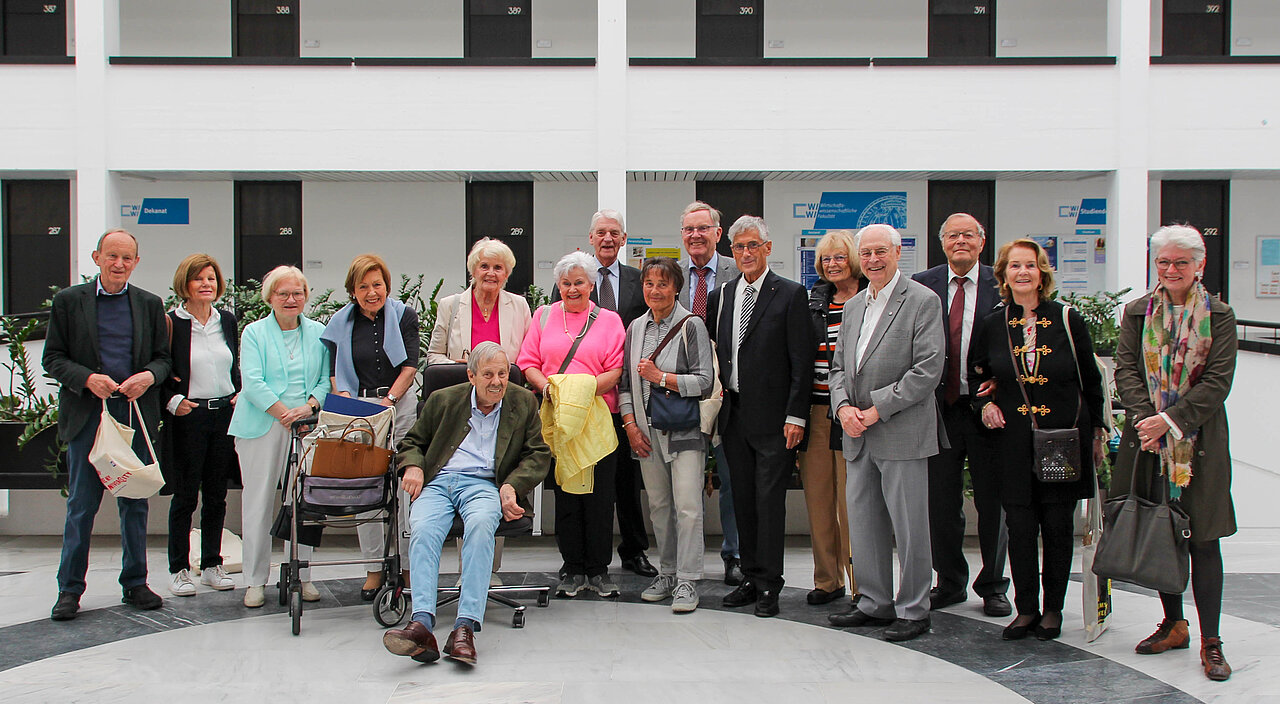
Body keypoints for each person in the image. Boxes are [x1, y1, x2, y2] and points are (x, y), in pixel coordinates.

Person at [1113, 225, 1238, 682]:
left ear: (1199, 265)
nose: (1170, 270)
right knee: (1160, 532)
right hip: (1148, 441)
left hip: (1198, 443)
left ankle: (1211, 641)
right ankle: (1174, 624)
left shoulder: (1220, 316)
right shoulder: (1137, 312)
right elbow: (1126, 370)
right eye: (1163, 262)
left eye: (1180, 262)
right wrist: (1148, 419)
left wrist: (1170, 420)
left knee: (1203, 538)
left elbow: (1218, 381)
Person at [969, 238, 1107, 642]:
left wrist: (1096, 432)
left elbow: (1091, 380)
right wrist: (985, 405)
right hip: (1012, 443)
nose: (1022, 272)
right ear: (1004, 274)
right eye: (1014, 266)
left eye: (1030, 265)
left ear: (1041, 272)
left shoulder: (1066, 318)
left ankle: (1053, 610)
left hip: (1062, 441)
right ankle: (1026, 608)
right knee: (1020, 526)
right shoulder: (993, 323)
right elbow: (977, 375)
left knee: (1059, 527)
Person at [381, 342, 551, 665]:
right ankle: (421, 624)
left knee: (482, 524)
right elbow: (412, 442)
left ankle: (465, 627)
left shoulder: (522, 401)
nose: (497, 382)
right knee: (423, 528)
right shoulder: (443, 400)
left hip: (484, 484)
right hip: (439, 481)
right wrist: (413, 465)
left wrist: (512, 486)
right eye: (488, 375)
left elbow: (538, 454)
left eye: (502, 373)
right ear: (471, 376)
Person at [825, 224, 944, 643]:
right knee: (864, 523)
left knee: (910, 528)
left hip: (901, 431)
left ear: (897, 252)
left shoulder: (922, 301)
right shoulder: (854, 305)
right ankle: (874, 602)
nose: (873, 260)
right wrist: (843, 408)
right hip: (857, 432)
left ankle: (914, 609)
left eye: (881, 251)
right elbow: (838, 367)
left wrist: (877, 409)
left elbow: (927, 369)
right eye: (867, 253)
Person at [45, 229, 171, 621]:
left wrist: (147, 377)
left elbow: (163, 360)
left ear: (136, 262)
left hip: (132, 414)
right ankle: (69, 590)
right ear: (96, 257)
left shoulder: (149, 304)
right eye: (112, 256)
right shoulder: (69, 302)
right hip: (88, 416)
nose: (119, 264)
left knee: (134, 502)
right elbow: (53, 357)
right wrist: (86, 378)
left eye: (127, 257)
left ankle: (135, 583)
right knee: (81, 506)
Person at [707, 215, 814, 618]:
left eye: (753, 245)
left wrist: (796, 416)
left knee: (769, 503)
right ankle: (750, 577)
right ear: (731, 252)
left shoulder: (790, 294)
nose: (746, 253)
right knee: (743, 501)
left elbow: (801, 361)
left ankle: (770, 583)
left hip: (774, 420)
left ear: (768, 248)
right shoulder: (722, 295)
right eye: (739, 247)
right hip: (734, 415)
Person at [912, 213, 1011, 618]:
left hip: (986, 409)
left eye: (968, 235)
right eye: (953, 236)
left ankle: (993, 586)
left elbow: (1014, 340)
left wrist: (1002, 382)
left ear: (981, 242)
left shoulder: (1000, 284)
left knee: (993, 503)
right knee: (940, 503)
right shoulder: (922, 284)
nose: (960, 242)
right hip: (938, 409)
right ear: (943, 243)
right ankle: (949, 581)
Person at [552, 210, 657, 579]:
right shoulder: (572, 276)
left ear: (624, 239)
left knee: (627, 481)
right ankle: (579, 555)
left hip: (621, 395)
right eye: (601, 233)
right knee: (578, 481)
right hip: (576, 403)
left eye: (614, 232)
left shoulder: (637, 280)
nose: (608, 239)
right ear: (591, 238)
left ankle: (634, 550)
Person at [519, 251, 627, 598]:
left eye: (579, 282)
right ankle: (572, 567)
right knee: (565, 494)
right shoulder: (543, 316)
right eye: (566, 283)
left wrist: (578, 393)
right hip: (557, 418)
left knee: (599, 496)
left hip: (597, 419)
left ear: (592, 284)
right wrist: (552, 390)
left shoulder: (610, 320)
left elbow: (616, 369)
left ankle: (598, 569)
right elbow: (528, 362)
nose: (572, 289)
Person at [228, 265, 331, 609]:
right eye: (283, 293)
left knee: (304, 502)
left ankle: (302, 574)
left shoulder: (318, 332)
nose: (291, 299)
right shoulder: (254, 333)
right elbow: (252, 381)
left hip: (306, 425)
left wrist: (308, 407)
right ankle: (255, 580)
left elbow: (324, 379)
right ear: (270, 297)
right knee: (257, 502)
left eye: (297, 293)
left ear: (306, 296)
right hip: (262, 424)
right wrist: (283, 413)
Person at [321, 254, 420, 601]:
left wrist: (389, 400)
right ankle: (374, 569)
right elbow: (335, 373)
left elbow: (410, 366)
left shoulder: (404, 315)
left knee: (407, 491)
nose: (371, 292)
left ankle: (408, 569)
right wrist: (350, 404)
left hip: (399, 406)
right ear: (352, 290)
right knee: (366, 491)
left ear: (386, 286)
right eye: (363, 286)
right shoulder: (339, 322)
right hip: (359, 411)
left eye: (377, 284)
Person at [619, 257, 715, 613]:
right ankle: (668, 572)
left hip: (684, 432)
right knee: (659, 507)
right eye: (649, 284)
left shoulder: (691, 325)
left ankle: (688, 580)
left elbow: (704, 382)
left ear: (676, 288)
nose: (655, 291)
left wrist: (660, 377)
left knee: (688, 507)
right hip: (644, 434)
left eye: (663, 284)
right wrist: (631, 426)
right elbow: (626, 385)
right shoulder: (635, 328)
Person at [162, 254, 240, 597]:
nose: (206, 284)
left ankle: (211, 564)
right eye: (199, 279)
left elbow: (233, 364)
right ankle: (179, 568)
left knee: (216, 495)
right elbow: (159, 369)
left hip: (223, 415)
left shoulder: (227, 320)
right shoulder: (171, 323)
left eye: (211, 278)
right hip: (188, 416)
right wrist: (173, 401)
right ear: (185, 283)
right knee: (185, 496)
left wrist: (239, 393)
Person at [677, 200, 743, 586]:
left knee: (731, 475)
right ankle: (687, 560)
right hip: (682, 392)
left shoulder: (739, 271)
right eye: (689, 229)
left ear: (718, 234)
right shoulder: (672, 275)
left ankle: (734, 554)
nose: (696, 235)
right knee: (686, 481)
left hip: (729, 392)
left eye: (703, 228)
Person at [799, 230, 861, 606]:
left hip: (856, 415)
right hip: (818, 412)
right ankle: (827, 580)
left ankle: (862, 585)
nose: (832, 264)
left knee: (854, 505)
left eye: (839, 257)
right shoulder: (815, 302)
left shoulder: (870, 298)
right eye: (826, 259)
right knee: (819, 501)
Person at [427, 237, 531, 365]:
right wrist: (458, 368)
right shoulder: (449, 305)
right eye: (484, 266)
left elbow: (529, 357)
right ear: (473, 271)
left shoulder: (520, 306)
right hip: (461, 378)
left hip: (507, 378)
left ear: (506, 274)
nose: (491, 273)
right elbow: (434, 355)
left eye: (498, 268)